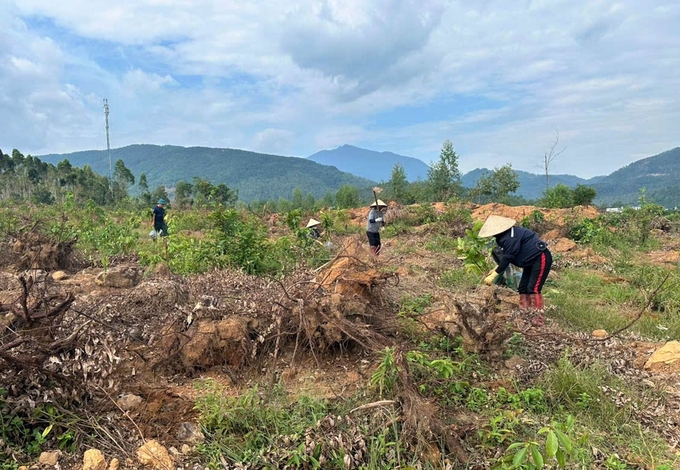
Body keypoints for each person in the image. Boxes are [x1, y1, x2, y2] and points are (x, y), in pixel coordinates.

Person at [479, 215, 552, 326]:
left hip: (540, 257)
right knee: (523, 288)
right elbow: (507, 257)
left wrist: (494, 274)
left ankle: (538, 319)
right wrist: (496, 268)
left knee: (534, 288)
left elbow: (508, 257)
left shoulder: (510, 237)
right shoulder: (504, 237)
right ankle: (525, 314)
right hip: (529, 261)